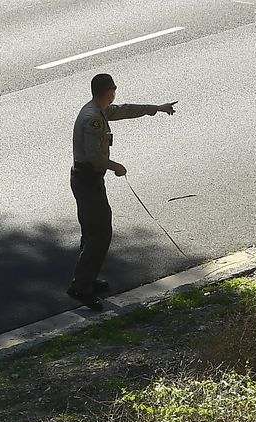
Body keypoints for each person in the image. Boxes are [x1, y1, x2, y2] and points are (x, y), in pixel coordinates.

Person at [68, 73, 177, 310]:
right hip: (87, 179)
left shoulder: (98, 110)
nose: (115, 92)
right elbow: (93, 156)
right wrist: (115, 166)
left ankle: (88, 278)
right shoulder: (92, 118)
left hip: (90, 179)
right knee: (100, 233)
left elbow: (125, 110)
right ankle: (81, 288)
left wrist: (156, 108)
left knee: (92, 231)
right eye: (114, 88)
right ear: (107, 91)